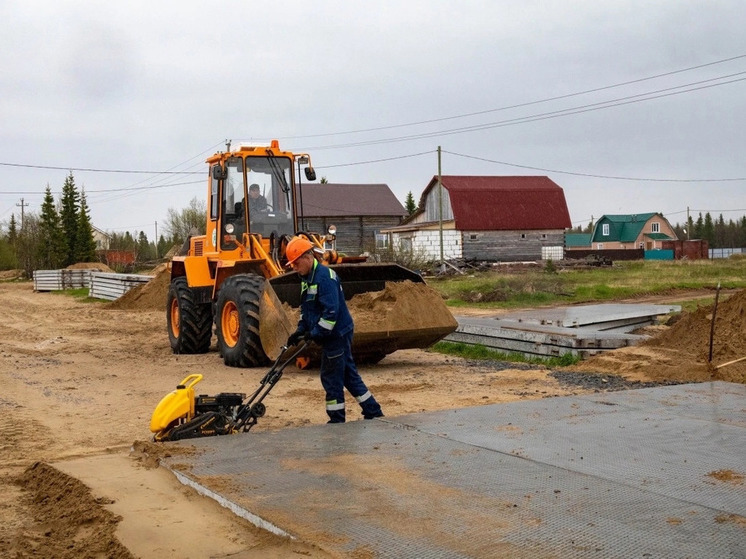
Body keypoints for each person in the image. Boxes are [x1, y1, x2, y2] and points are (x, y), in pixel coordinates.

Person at [285, 236, 384, 423]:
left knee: (331, 377)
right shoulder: (307, 278)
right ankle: (373, 410)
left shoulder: (325, 279)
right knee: (348, 374)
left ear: (307, 257)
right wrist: (300, 330)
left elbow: (331, 316)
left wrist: (312, 334)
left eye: (296, 263)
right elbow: (307, 309)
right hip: (332, 334)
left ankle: (337, 419)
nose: (294, 268)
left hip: (336, 334)